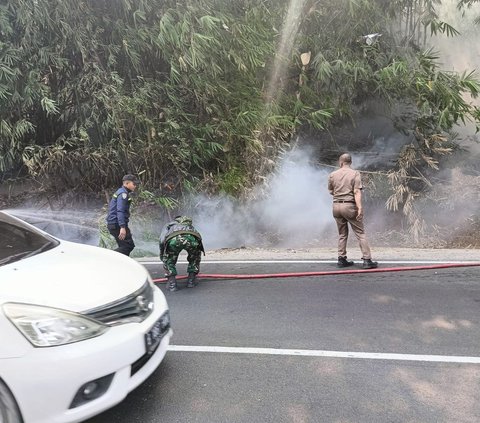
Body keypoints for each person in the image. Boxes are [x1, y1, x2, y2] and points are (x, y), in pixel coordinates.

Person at [328, 153, 378, 269]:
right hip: (349, 206)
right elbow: (356, 192)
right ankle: (367, 260)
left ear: (340, 162)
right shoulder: (355, 174)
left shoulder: (332, 175)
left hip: (336, 207)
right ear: (350, 162)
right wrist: (360, 207)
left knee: (342, 234)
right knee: (360, 233)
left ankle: (341, 259)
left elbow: (330, 191)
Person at [159, 216, 205, 292]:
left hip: (174, 239)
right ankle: (191, 281)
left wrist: (163, 256)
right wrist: (198, 252)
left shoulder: (169, 226)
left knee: (169, 260)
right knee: (194, 257)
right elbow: (199, 238)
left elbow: (161, 240)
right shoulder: (190, 226)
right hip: (191, 239)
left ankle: (172, 284)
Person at [106, 174, 139, 256]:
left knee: (124, 246)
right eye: (133, 184)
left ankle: (120, 266)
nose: (135, 186)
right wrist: (122, 227)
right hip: (116, 224)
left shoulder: (121, 192)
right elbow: (120, 211)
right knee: (128, 246)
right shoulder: (123, 194)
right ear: (127, 183)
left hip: (115, 224)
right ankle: (107, 257)